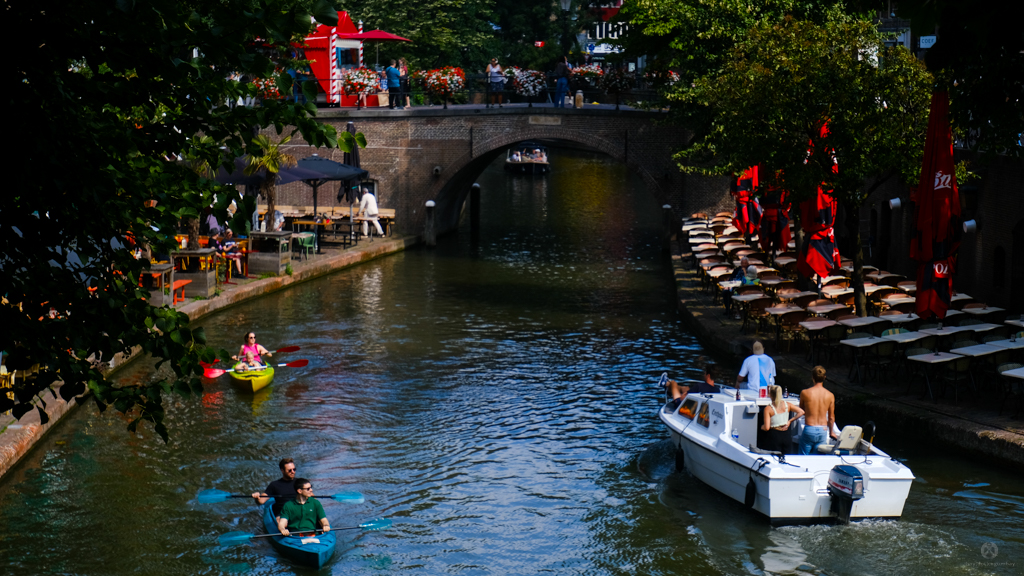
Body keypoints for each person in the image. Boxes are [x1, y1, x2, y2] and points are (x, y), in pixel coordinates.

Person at [799, 366, 837, 455]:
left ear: (812, 377)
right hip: (823, 430)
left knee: (802, 458)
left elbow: (802, 410)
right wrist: (831, 432)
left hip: (809, 429)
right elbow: (831, 417)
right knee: (819, 458)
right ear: (824, 377)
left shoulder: (805, 393)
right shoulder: (830, 395)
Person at [761, 385, 804, 454]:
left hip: (774, 435)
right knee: (787, 456)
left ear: (770, 394)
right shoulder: (787, 404)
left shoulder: (768, 408)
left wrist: (761, 427)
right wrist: (789, 421)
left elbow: (767, 427)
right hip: (786, 435)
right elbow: (801, 412)